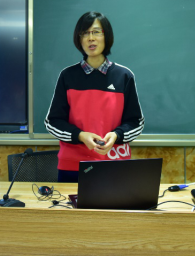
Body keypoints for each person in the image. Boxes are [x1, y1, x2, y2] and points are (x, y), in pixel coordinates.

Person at [45, 11, 145, 183]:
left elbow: (136, 122)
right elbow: (52, 122)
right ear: (79, 39)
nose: (91, 38)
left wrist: (116, 135)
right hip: (73, 167)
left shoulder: (124, 76)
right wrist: (80, 135)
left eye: (96, 32)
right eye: (85, 33)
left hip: (114, 165)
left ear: (107, 36)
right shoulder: (67, 76)